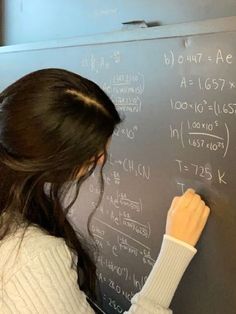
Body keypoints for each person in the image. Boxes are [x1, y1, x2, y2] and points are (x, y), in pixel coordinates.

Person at [0, 68, 210, 314]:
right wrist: (175, 250)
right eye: (91, 154)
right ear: (52, 161)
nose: (101, 159)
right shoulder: (30, 258)